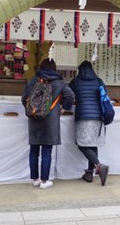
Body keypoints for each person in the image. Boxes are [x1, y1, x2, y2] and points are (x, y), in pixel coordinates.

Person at [22, 58, 75, 189]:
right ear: (54, 68)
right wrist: (63, 108)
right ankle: (44, 181)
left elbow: (24, 99)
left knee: (34, 150)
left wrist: (32, 109)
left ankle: (35, 179)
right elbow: (71, 96)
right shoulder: (59, 82)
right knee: (47, 151)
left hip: (34, 119)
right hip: (50, 120)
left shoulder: (33, 81)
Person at [69, 61, 109, 186]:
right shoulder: (98, 81)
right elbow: (105, 95)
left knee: (82, 145)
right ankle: (89, 174)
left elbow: (68, 94)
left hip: (83, 116)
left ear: (79, 70)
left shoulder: (75, 82)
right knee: (92, 144)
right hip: (97, 117)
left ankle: (99, 166)